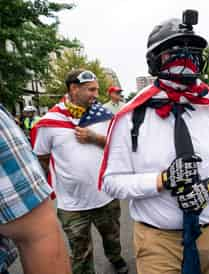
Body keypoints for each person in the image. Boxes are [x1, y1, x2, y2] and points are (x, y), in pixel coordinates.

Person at [99, 11, 209, 274]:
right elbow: (111, 181)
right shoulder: (131, 116)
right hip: (158, 241)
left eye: (193, 52)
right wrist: (163, 180)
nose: (186, 59)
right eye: (176, 51)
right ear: (155, 59)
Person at [32, 70, 128, 274]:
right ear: (74, 89)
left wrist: (95, 138)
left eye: (97, 90)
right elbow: (41, 157)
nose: (95, 94)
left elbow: (119, 147)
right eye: (91, 89)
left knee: (112, 236)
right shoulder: (50, 122)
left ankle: (116, 258)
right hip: (71, 203)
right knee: (80, 251)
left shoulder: (103, 116)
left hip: (105, 195)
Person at [0, 104, 71, 274]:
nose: (26, 113)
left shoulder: (38, 120)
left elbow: (37, 235)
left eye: (28, 111)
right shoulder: (26, 120)